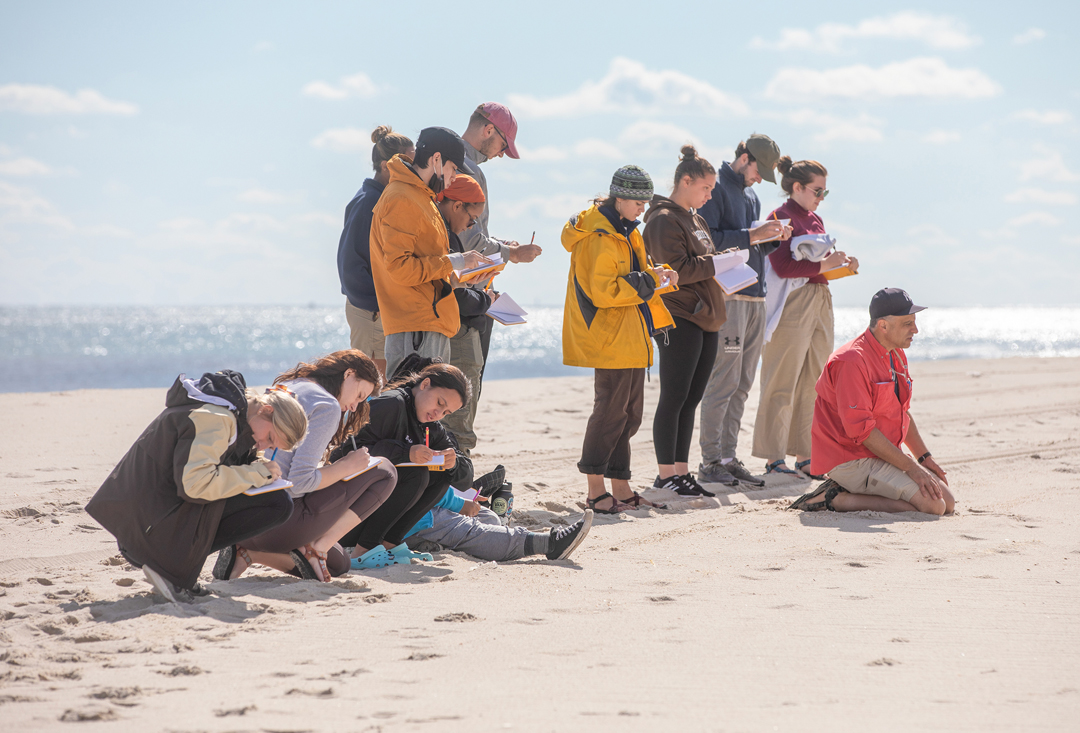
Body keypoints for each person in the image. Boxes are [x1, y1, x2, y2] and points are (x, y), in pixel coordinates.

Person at [85, 371, 308, 602]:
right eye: (270, 438)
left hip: (144, 522)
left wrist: (254, 466)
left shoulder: (227, 408)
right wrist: (256, 473)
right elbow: (196, 485)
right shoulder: (217, 417)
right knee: (276, 504)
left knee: (277, 502)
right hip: (147, 533)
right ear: (266, 410)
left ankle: (175, 564)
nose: (263, 445)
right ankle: (168, 565)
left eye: (271, 446)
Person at [216, 350, 397, 582]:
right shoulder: (327, 405)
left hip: (238, 520)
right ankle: (318, 548)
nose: (354, 407)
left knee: (340, 564)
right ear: (349, 374)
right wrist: (346, 466)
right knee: (385, 471)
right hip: (275, 519)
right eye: (359, 396)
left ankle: (246, 553)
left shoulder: (291, 384)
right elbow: (299, 483)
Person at [562, 165, 678, 514]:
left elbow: (630, 278)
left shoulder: (626, 231)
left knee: (628, 416)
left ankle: (622, 488)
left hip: (629, 335)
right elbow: (604, 291)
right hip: (608, 336)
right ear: (621, 197)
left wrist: (655, 275)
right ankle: (595, 492)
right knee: (609, 414)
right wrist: (650, 280)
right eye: (639, 202)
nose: (644, 209)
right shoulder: (600, 235)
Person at [791, 288, 955, 515]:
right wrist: (912, 469)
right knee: (933, 507)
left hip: (879, 453)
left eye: (914, 322)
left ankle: (852, 492)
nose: (915, 330)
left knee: (948, 502)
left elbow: (901, 414)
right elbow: (862, 432)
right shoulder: (850, 361)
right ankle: (836, 498)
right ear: (883, 326)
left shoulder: (895, 352)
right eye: (908, 323)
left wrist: (924, 458)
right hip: (850, 459)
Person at [752, 156, 858, 477]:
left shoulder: (815, 219)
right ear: (796, 187)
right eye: (817, 190)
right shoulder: (779, 216)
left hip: (819, 298)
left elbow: (816, 267)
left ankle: (806, 455)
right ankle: (773, 457)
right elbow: (783, 266)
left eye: (825, 192)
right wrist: (827, 264)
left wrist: (842, 266)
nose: (820, 197)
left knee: (814, 381)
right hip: (793, 302)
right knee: (781, 377)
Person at [696, 134, 789, 488]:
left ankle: (728, 457)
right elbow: (710, 242)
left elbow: (750, 250)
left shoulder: (751, 194)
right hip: (729, 298)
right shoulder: (715, 187)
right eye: (758, 171)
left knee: (743, 383)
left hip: (755, 298)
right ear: (744, 157)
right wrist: (753, 236)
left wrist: (772, 239)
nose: (758, 179)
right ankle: (710, 461)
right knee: (724, 380)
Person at [453, 102, 543, 450]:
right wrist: (512, 254)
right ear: (488, 130)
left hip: (452, 292)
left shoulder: (446, 162)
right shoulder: (470, 169)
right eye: (504, 145)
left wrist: (500, 246)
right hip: (463, 297)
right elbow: (469, 241)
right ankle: (456, 473)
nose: (503, 154)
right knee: (464, 384)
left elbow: (466, 236)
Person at [369, 126, 491, 379]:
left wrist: (459, 277)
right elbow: (400, 269)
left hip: (427, 320)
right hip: (415, 323)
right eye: (453, 169)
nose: (454, 178)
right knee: (411, 407)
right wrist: (457, 260)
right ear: (436, 159)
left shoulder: (420, 196)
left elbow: (425, 267)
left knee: (425, 411)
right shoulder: (402, 196)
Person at [330, 356, 474, 568]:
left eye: (445, 412)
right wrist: (406, 453)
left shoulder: (430, 426)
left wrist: (453, 463)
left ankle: (390, 544)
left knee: (441, 473)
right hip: (342, 516)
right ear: (425, 384)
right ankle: (364, 550)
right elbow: (344, 453)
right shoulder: (389, 404)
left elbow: (466, 481)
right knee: (416, 474)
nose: (438, 414)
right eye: (439, 403)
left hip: (372, 518)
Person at [642, 146, 725, 499]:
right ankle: (666, 475)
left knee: (691, 398)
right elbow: (677, 270)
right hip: (679, 315)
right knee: (674, 396)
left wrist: (725, 263)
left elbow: (704, 261)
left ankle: (681, 471)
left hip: (705, 316)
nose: (709, 195)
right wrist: (718, 264)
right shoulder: (662, 219)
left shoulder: (695, 218)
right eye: (705, 188)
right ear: (685, 181)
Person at [337, 126, 414, 380]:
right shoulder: (369, 201)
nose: (412, 169)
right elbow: (349, 264)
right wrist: (376, 303)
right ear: (385, 166)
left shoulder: (381, 198)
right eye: (406, 162)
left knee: (377, 384)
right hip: (371, 311)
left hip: (377, 308)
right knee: (369, 387)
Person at [434, 174, 491, 456]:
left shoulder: (443, 231)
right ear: (456, 206)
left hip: (448, 326)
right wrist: (484, 299)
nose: (473, 225)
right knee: (459, 417)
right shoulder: (443, 234)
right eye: (473, 218)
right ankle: (459, 475)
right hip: (457, 328)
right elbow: (452, 293)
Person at [404, 488, 594, 562]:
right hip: (411, 515)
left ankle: (430, 544)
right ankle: (550, 545)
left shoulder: (422, 422)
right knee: (468, 529)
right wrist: (459, 503)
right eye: (440, 403)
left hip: (430, 501)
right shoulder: (396, 414)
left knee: (489, 518)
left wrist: (462, 494)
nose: (440, 413)